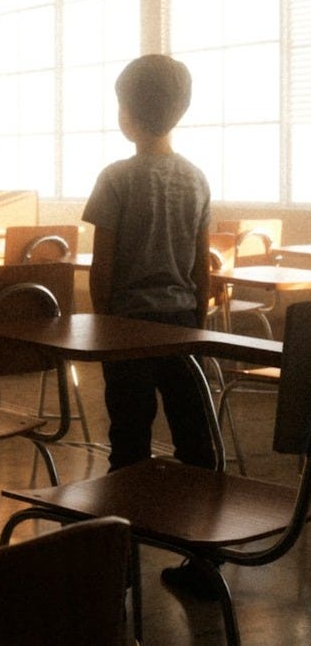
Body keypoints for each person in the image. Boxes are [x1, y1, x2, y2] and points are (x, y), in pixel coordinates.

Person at [82, 54, 219, 599]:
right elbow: (199, 266)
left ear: (125, 114)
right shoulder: (196, 178)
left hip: (127, 326)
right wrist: (196, 324)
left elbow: (103, 268)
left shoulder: (115, 178)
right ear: (181, 110)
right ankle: (204, 563)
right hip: (183, 323)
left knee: (129, 442)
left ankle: (119, 563)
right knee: (196, 443)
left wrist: (102, 328)